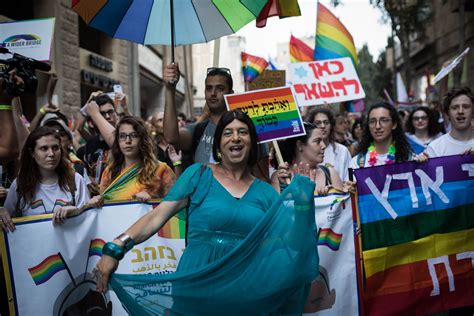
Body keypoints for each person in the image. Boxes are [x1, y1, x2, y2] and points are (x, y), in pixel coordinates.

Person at [94, 110, 318, 314]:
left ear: (252, 142)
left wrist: (301, 205)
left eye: (243, 132)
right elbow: (156, 217)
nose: (236, 137)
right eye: (228, 132)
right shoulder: (197, 175)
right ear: (218, 144)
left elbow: (288, 246)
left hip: (244, 293)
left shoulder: (266, 193)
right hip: (197, 288)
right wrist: (115, 247)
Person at [162, 64, 270, 181]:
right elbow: (171, 137)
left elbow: (262, 178)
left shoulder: (248, 132)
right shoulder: (198, 131)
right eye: (209, 88)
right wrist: (170, 89)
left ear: (231, 93)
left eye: (220, 88)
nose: (213, 93)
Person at [0, 127, 89, 230]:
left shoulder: (75, 180)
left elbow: (88, 219)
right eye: (44, 148)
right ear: (32, 153)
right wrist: (2, 212)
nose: (51, 154)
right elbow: (6, 223)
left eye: (55, 148)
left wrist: (75, 211)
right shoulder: (19, 184)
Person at [87, 116, 176, 208]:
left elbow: (175, 204)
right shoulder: (109, 171)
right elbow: (104, 202)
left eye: (134, 135)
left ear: (142, 139)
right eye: (122, 136)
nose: (128, 141)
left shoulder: (161, 169)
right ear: (117, 141)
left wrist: (152, 200)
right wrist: (97, 201)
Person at [272, 122, 343, 195]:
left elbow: (342, 204)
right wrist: (285, 188)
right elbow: (279, 205)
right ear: (300, 145)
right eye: (317, 141)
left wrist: (331, 194)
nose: (324, 146)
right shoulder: (282, 176)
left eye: (323, 141)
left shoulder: (330, 173)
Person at [350, 102, 413, 169]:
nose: (377, 126)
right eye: (372, 121)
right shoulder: (357, 163)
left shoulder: (408, 159)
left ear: (394, 124)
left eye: (383, 120)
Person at [423, 87, 473, 157]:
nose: (460, 111)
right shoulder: (435, 148)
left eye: (466, 107)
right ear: (447, 113)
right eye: (455, 108)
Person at [306, 108, 352, 181]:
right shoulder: (307, 152)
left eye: (326, 122)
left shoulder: (342, 151)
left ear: (331, 126)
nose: (323, 126)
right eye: (318, 123)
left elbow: (350, 178)